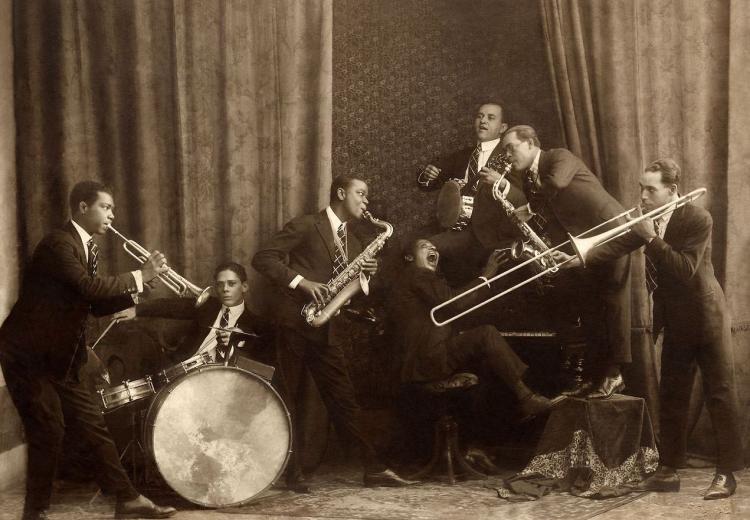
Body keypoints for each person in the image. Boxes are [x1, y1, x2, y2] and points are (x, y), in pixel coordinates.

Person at [556, 159, 744, 499]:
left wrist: (650, 239)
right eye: (641, 187)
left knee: (720, 393)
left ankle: (727, 473)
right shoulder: (649, 220)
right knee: (673, 394)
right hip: (675, 319)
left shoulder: (698, 218)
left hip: (706, 317)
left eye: (650, 189)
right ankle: (670, 467)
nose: (642, 195)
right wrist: (580, 257)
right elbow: (618, 244)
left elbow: (684, 268)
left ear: (672, 191)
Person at [0, 181, 176, 520]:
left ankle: (128, 500)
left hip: (61, 354)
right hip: (27, 354)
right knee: (48, 428)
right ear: (83, 207)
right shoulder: (58, 244)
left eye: (111, 209)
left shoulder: (85, 247)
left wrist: (139, 288)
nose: (112, 215)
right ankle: (34, 513)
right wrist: (139, 275)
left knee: (94, 423)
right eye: (106, 207)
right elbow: (87, 288)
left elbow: (90, 304)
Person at [252, 174, 416, 493]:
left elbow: (353, 288)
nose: (366, 201)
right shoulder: (305, 225)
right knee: (290, 397)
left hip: (323, 325)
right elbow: (263, 258)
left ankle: (374, 468)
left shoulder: (355, 243)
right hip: (292, 322)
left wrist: (367, 277)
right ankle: (291, 471)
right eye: (361, 193)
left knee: (343, 398)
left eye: (367, 196)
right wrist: (301, 282)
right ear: (341, 193)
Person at [486, 125, 632, 399]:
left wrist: (529, 207)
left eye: (510, 147)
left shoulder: (558, 158)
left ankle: (615, 374)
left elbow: (558, 184)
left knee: (613, 302)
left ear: (530, 143)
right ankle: (594, 376)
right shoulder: (531, 180)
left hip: (612, 231)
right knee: (589, 308)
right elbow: (555, 219)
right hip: (584, 244)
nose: (507, 155)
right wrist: (550, 248)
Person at [389, 238, 558, 422]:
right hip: (427, 361)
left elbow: (452, 308)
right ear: (409, 257)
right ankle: (526, 399)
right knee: (487, 335)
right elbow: (456, 303)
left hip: (427, 357)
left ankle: (504, 419)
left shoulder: (420, 280)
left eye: (434, 247)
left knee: (486, 350)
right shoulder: (417, 274)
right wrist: (487, 275)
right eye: (424, 247)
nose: (433, 249)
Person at [417, 102, 528, 279]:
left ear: (503, 128)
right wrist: (427, 174)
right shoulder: (463, 155)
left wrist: (499, 183)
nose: (483, 121)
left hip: (487, 232)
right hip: (455, 226)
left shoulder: (510, 156)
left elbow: (521, 199)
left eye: (491, 118)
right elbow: (426, 184)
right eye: (479, 116)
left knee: (425, 249)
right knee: (406, 245)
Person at [116, 261, 271, 366]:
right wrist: (137, 309)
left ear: (244, 287)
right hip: (186, 371)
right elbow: (170, 306)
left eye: (232, 284)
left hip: (224, 383)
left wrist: (237, 340)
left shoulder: (256, 325)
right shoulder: (207, 305)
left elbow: (257, 361)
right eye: (220, 285)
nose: (225, 289)